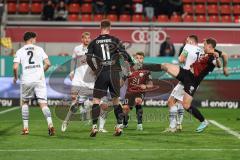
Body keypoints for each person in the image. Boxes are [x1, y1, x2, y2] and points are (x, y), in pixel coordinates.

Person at [159, 38, 221, 133]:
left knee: (185, 105)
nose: (203, 46)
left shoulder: (212, 57)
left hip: (193, 81)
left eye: (204, 45)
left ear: (209, 46)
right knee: (180, 103)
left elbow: (218, 64)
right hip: (187, 75)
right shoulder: (206, 54)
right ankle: (176, 125)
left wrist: (217, 58)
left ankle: (201, 121)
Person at [86, 19, 132, 137]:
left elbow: (88, 58)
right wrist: (130, 63)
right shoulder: (115, 40)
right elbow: (124, 54)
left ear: (100, 27)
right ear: (110, 27)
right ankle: (119, 127)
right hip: (114, 72)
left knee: (96, 100)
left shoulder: (94, 42)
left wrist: (96, 70)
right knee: (116, 100)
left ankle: (94, 127)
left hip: (101, 72)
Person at [13, 32, 55, 136]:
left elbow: (15, 67)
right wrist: (41, 71)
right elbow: (48, 63)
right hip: (39, 79)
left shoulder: (20, 51)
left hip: (27, 79)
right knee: (43, 104)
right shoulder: (39, 49)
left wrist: (15, 77)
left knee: (25, 102)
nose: (36, 41)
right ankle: (50, 124)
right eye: (35, 39)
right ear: (31, 39)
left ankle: (26, 128)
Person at [164, 35, 204, 132]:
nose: (185, 42)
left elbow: (180, 59)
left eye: (187, 40)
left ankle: (173, 127)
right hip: (195, 81)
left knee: (171, 102)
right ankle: (178, 124)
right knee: (181, 102)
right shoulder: (202, 51)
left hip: (186, 79)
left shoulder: (188, 46)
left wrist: (182, 58)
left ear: (191, 41)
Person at [61, 32, 95, 132]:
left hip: (89, 79)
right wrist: (71, 72)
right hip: (78, 78)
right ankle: (66, 121)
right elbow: (73, 61)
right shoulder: (77, 49)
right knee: (74, 100)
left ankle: (86, 105)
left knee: (96, 100)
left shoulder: (93, 48)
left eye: (88, 38)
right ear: (82, 39)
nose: (87, 40)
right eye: (85, 38)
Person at [122, 52, 154, 131]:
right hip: (129, 91)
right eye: (137, 58)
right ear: (134, 59)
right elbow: (123, 79)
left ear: (143, 59)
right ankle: (125, 122)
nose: (139, 60)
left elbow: (151, 85)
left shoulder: (146, 70)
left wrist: (145, 86)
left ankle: (139, 124)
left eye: (141, 58)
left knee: (138, 101)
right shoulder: (129, 68)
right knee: (125, 109)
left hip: (140, 92)